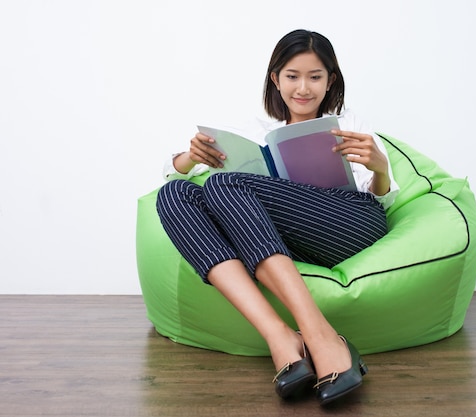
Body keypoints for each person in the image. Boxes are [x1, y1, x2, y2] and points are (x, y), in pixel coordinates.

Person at [156, 29, 399, 405]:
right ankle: (279, 336)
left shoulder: (349, 121)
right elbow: (174, 172)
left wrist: (380, 167)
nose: (303, 88)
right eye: (292, 76)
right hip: (286, 235)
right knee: (174, 194)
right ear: (275, 79)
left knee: (225, 184)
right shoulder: (260, 131)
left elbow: (380, 193)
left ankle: (322, 337)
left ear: (330, 80)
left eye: (315, 77)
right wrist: (190, 156)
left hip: (351, 222)